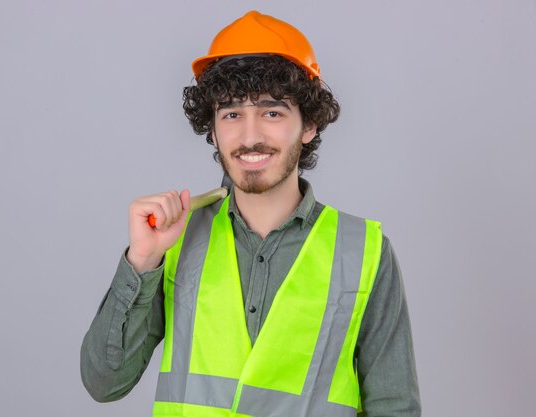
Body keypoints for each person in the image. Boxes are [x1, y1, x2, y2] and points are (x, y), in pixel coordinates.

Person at [80, 10, 421, 417]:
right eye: (231, 114)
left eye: (272, 112)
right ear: (213, 128)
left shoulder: (364, 252)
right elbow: (104, 384)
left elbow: (394, 407)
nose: (250, 136)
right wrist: (142, 260)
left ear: (308, 124)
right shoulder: (173, 238)